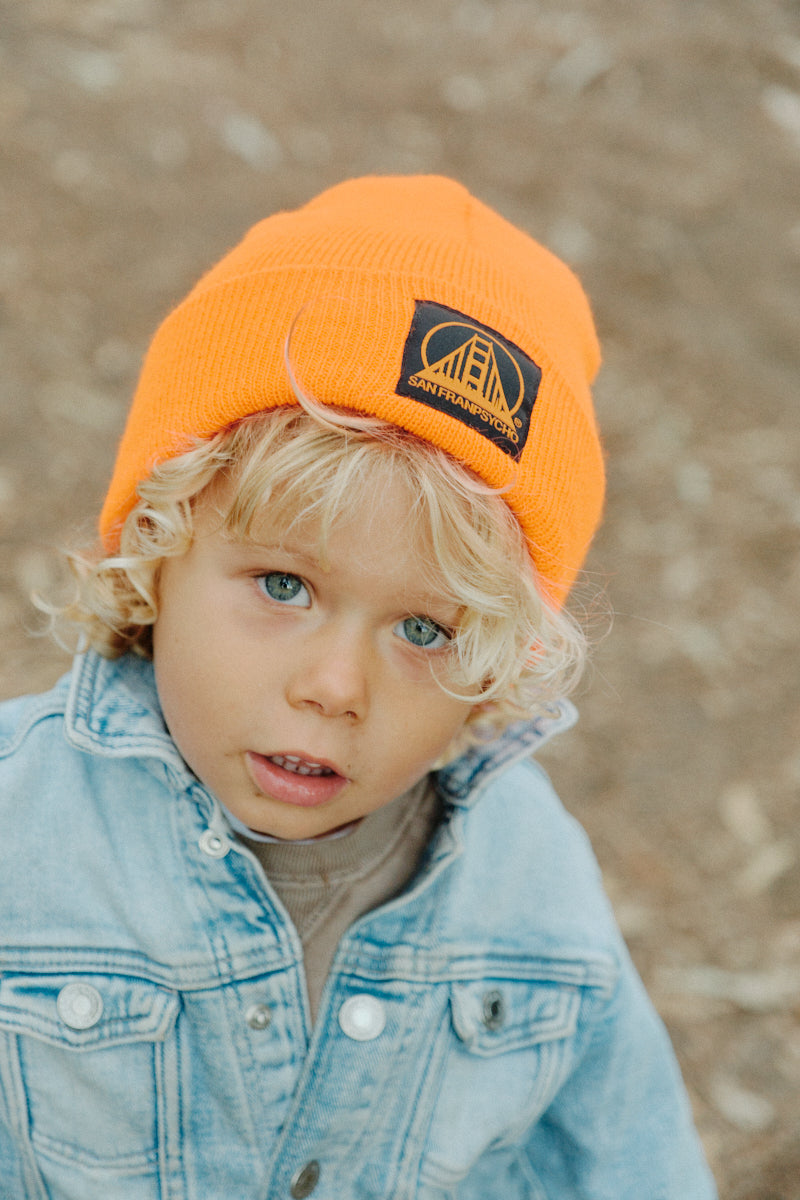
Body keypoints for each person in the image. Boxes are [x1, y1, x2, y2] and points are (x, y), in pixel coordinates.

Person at [0, 175, 717, 1199]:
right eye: (282, 585)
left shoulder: (530, 885)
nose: (335, 687)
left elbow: (628, 1162)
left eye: (424, 629)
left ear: (498, 664)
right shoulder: (17, 834)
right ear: (154, 551)